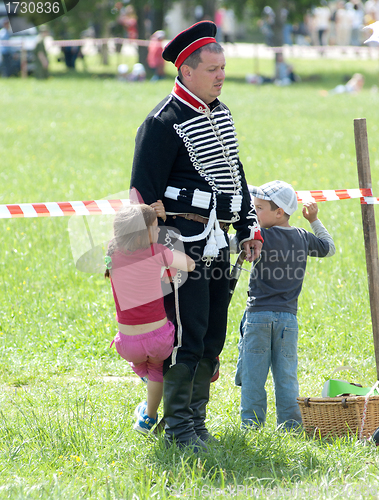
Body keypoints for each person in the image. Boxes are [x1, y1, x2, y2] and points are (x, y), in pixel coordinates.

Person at [129, 21, 263, 451]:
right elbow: (142, 197)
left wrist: (248, 226)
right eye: (212, 69)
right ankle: (178, 429)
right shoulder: (161, 122)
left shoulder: (220, 113)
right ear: (187, 71)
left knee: (211, 334)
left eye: (223, 67)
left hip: (217, 241)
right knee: (185, 335)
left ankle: (196, 422)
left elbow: (235, 178)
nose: (221, 75)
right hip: (178, 247)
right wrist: (154, 258)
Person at [234, 180, 335, 430]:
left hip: (257, 318)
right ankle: (291, 425)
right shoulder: (302, 236)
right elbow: (329, 248)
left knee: (253, 375)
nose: (254, 213)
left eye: (258, 208)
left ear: (278, 212)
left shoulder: (260, 236)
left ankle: (251, 425)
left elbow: (226, 245)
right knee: (286, 375)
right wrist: (313, 220)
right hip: (288, 320)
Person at [106, 201, 195, 435]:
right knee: (158, 371)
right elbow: (189, 264)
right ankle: (149, 417)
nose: (158, 231)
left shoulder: (112, 253)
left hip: (127, 344)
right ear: (142, 233)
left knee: (143, 364)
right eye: (155, 228)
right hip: (159, 339)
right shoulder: (157, 251)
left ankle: (147, 383)